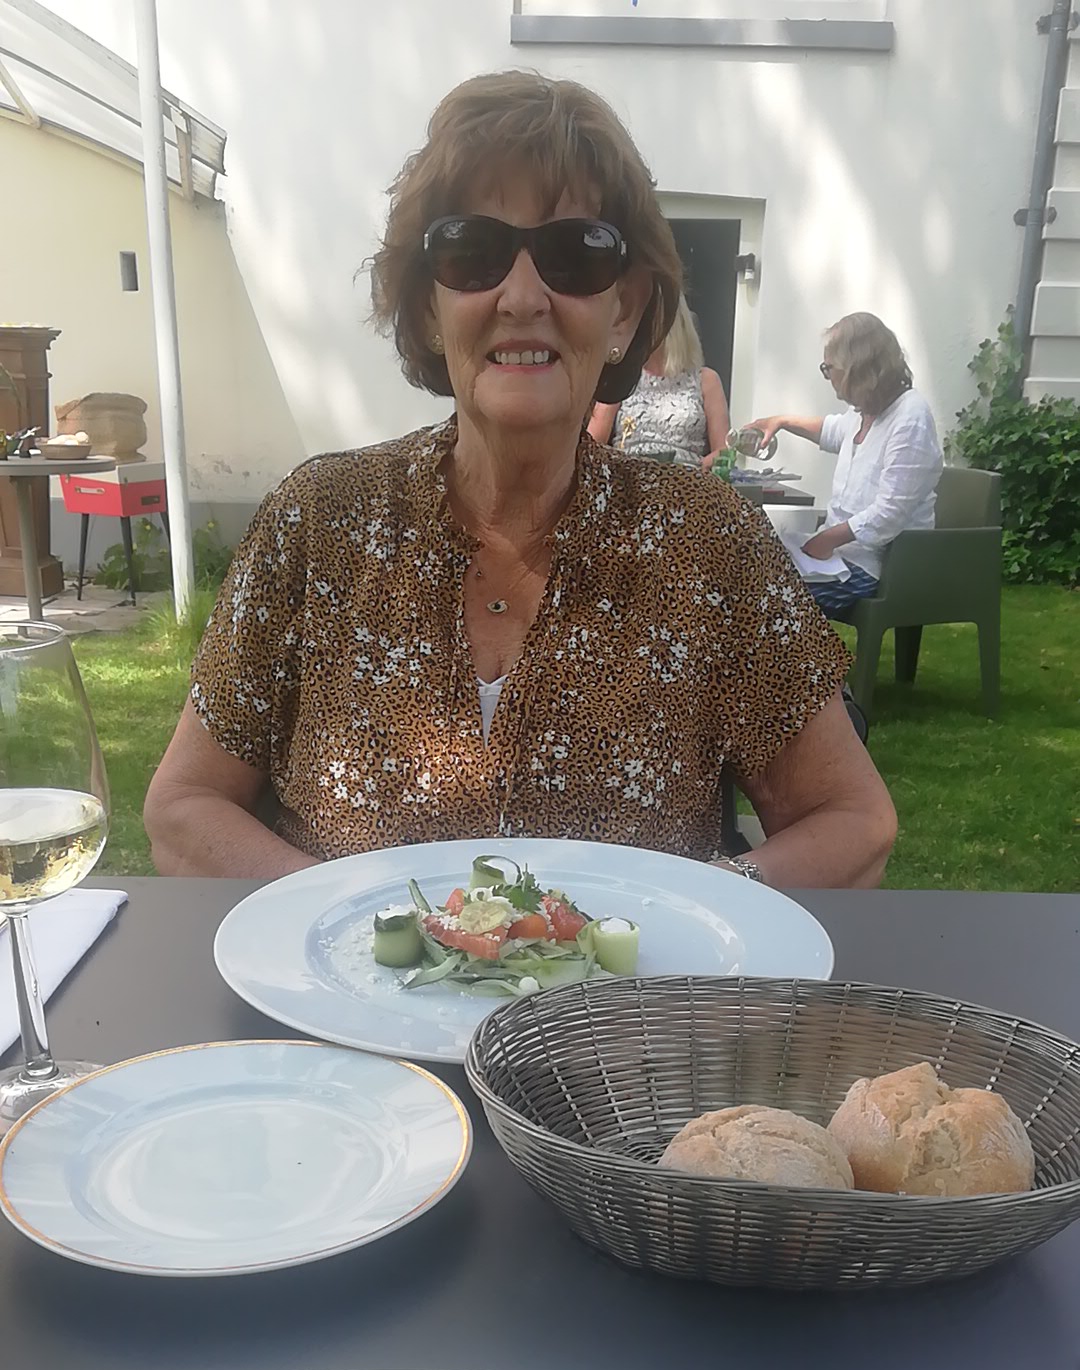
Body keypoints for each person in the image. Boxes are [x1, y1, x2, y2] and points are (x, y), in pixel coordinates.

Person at [144, 73, 896, 889]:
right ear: (428, 307)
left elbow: (853, 823)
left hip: (631, 981)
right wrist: (337, 921)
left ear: (623, 310)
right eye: (473, 251)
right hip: (340, 977)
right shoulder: (319, 522)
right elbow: (184, 809)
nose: (524, 296)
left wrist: (693, 917)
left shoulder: (708, 546)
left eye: (576, 254)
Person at [747, 312, 943, 616]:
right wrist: (781, 421)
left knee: (765, 597)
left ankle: (784, 648)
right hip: (839, 558)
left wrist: (825, 540)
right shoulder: (867, 411)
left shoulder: (910, 419)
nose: (828, 377)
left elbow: (889, 514)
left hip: (876, 567)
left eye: (829, 368)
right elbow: (831, 430)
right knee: (747, 574)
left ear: (856, 369)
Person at [587, 293, 730, 469]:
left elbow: (724, 451)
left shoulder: (706, 380)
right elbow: (593, 442)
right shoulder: (622, 374)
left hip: (685, 477)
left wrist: (695, 469)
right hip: (631, 475)